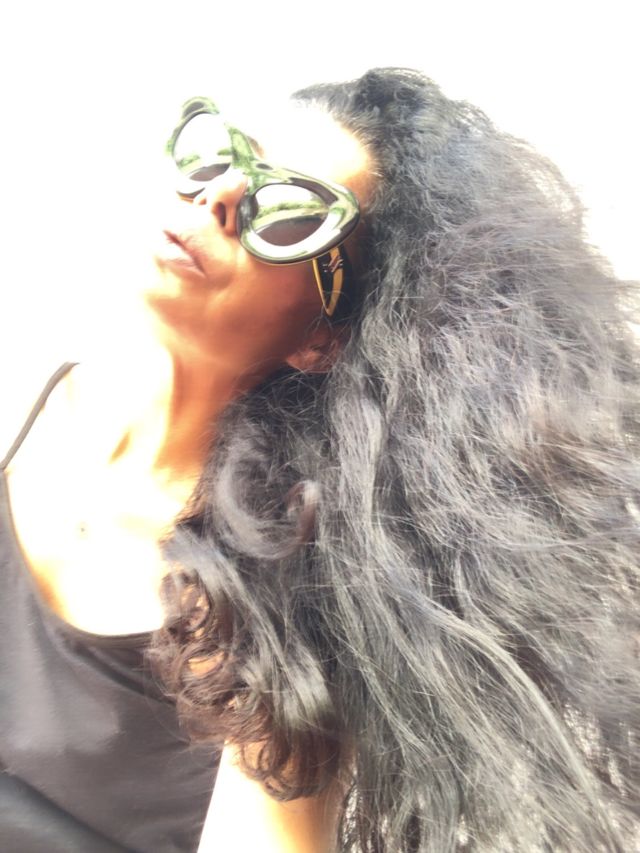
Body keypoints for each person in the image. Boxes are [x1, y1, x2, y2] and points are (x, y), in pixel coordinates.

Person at [1, 67, 638, 852]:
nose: (221, 194)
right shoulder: (23, 403)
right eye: (221, 155)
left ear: (321, 337)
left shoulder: (281, 585)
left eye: (291, 210)